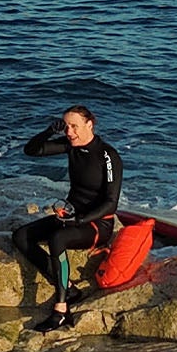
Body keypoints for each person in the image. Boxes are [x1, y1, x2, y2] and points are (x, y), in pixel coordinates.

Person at [13, 108, 124, 332]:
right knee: (21, 236)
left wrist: (80, 219)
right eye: (66, 126)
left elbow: (111, 203)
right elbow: (32, 150)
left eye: (74, 126)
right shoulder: (70, 146)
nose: (69, 132)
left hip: (96, 223)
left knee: (57, 238)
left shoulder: (107, 156)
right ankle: (70, 289)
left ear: (90, 125)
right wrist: (47, 131)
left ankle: (61, 309)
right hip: (71, 216)